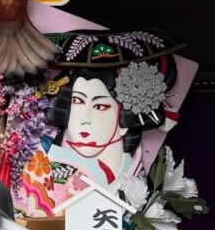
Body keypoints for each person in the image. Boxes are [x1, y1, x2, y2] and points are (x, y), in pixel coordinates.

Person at [19, 57, 176, 215]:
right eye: (77, 101)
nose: (85, 119)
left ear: (124, 118)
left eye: (100, 106)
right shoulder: (42, 159)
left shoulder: (132, 172)